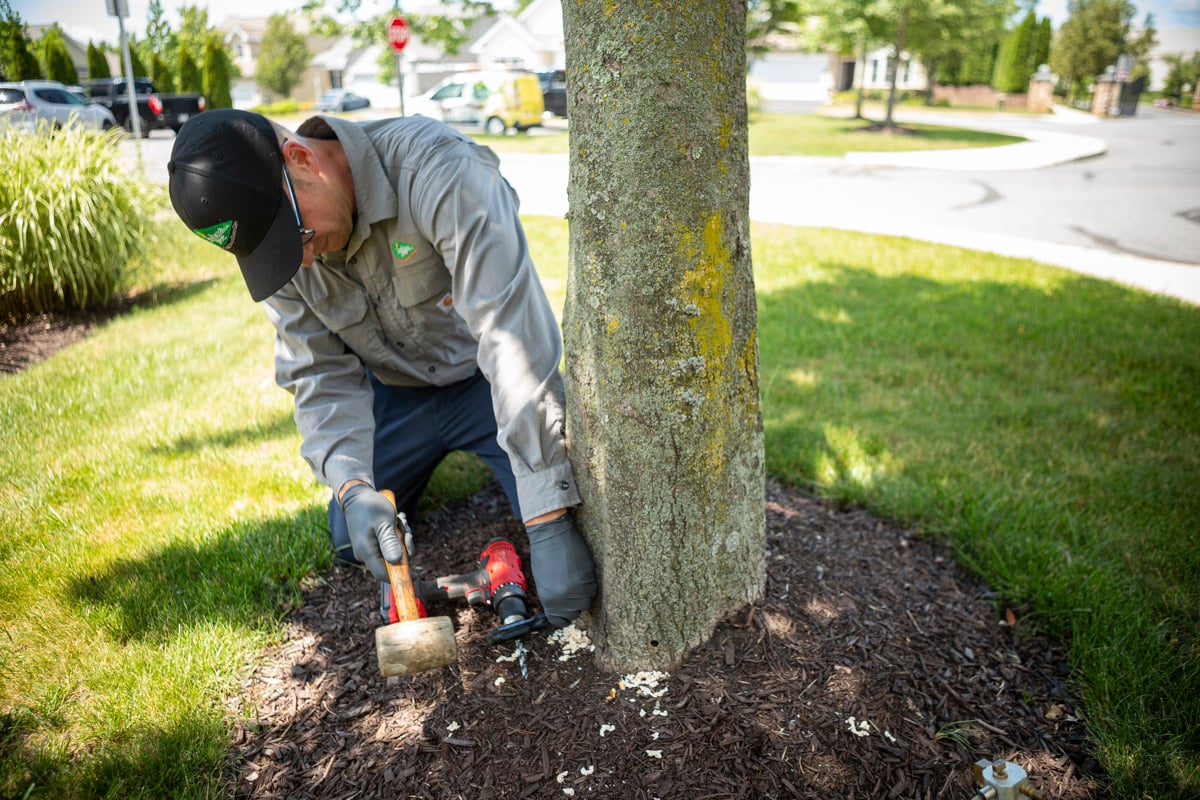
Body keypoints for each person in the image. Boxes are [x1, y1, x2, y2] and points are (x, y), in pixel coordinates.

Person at [166, 108, 596, 627]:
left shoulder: (441, 173)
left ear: (301, 158)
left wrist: (547, 520)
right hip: (394, 394)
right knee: (352, 539)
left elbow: (511, 335)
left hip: (488, 382)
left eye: (295, 237)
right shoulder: (287, 253)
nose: (298, 262)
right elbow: (318, 374)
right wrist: (353, 488)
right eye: (276, 252)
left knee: (572, 512)